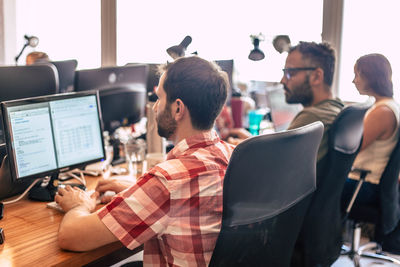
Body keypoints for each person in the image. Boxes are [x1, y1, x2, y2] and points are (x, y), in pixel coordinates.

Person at [55, 56, 234, 266]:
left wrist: (79, 205)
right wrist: (138, 190)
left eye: (159, 98)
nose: (155, 107)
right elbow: (187, 202)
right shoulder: (234, 155)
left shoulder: (169, 181)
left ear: (178, 109)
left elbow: (71, 237)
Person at [230, 41, 344, 161]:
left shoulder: (312, 118)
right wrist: (251, 141)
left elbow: (273, 163)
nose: (282, 81)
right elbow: (278, 152)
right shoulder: (336, 107)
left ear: (316, 76)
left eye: (290, 73)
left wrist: (239, 147)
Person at [341, 54, 399, 207]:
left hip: (364, 185)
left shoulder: (382, 112)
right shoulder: (390, 105)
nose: (354, 81)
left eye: (357, 75)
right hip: (369, 182)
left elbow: (352, 150)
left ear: (370, 77)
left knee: (315, 188)